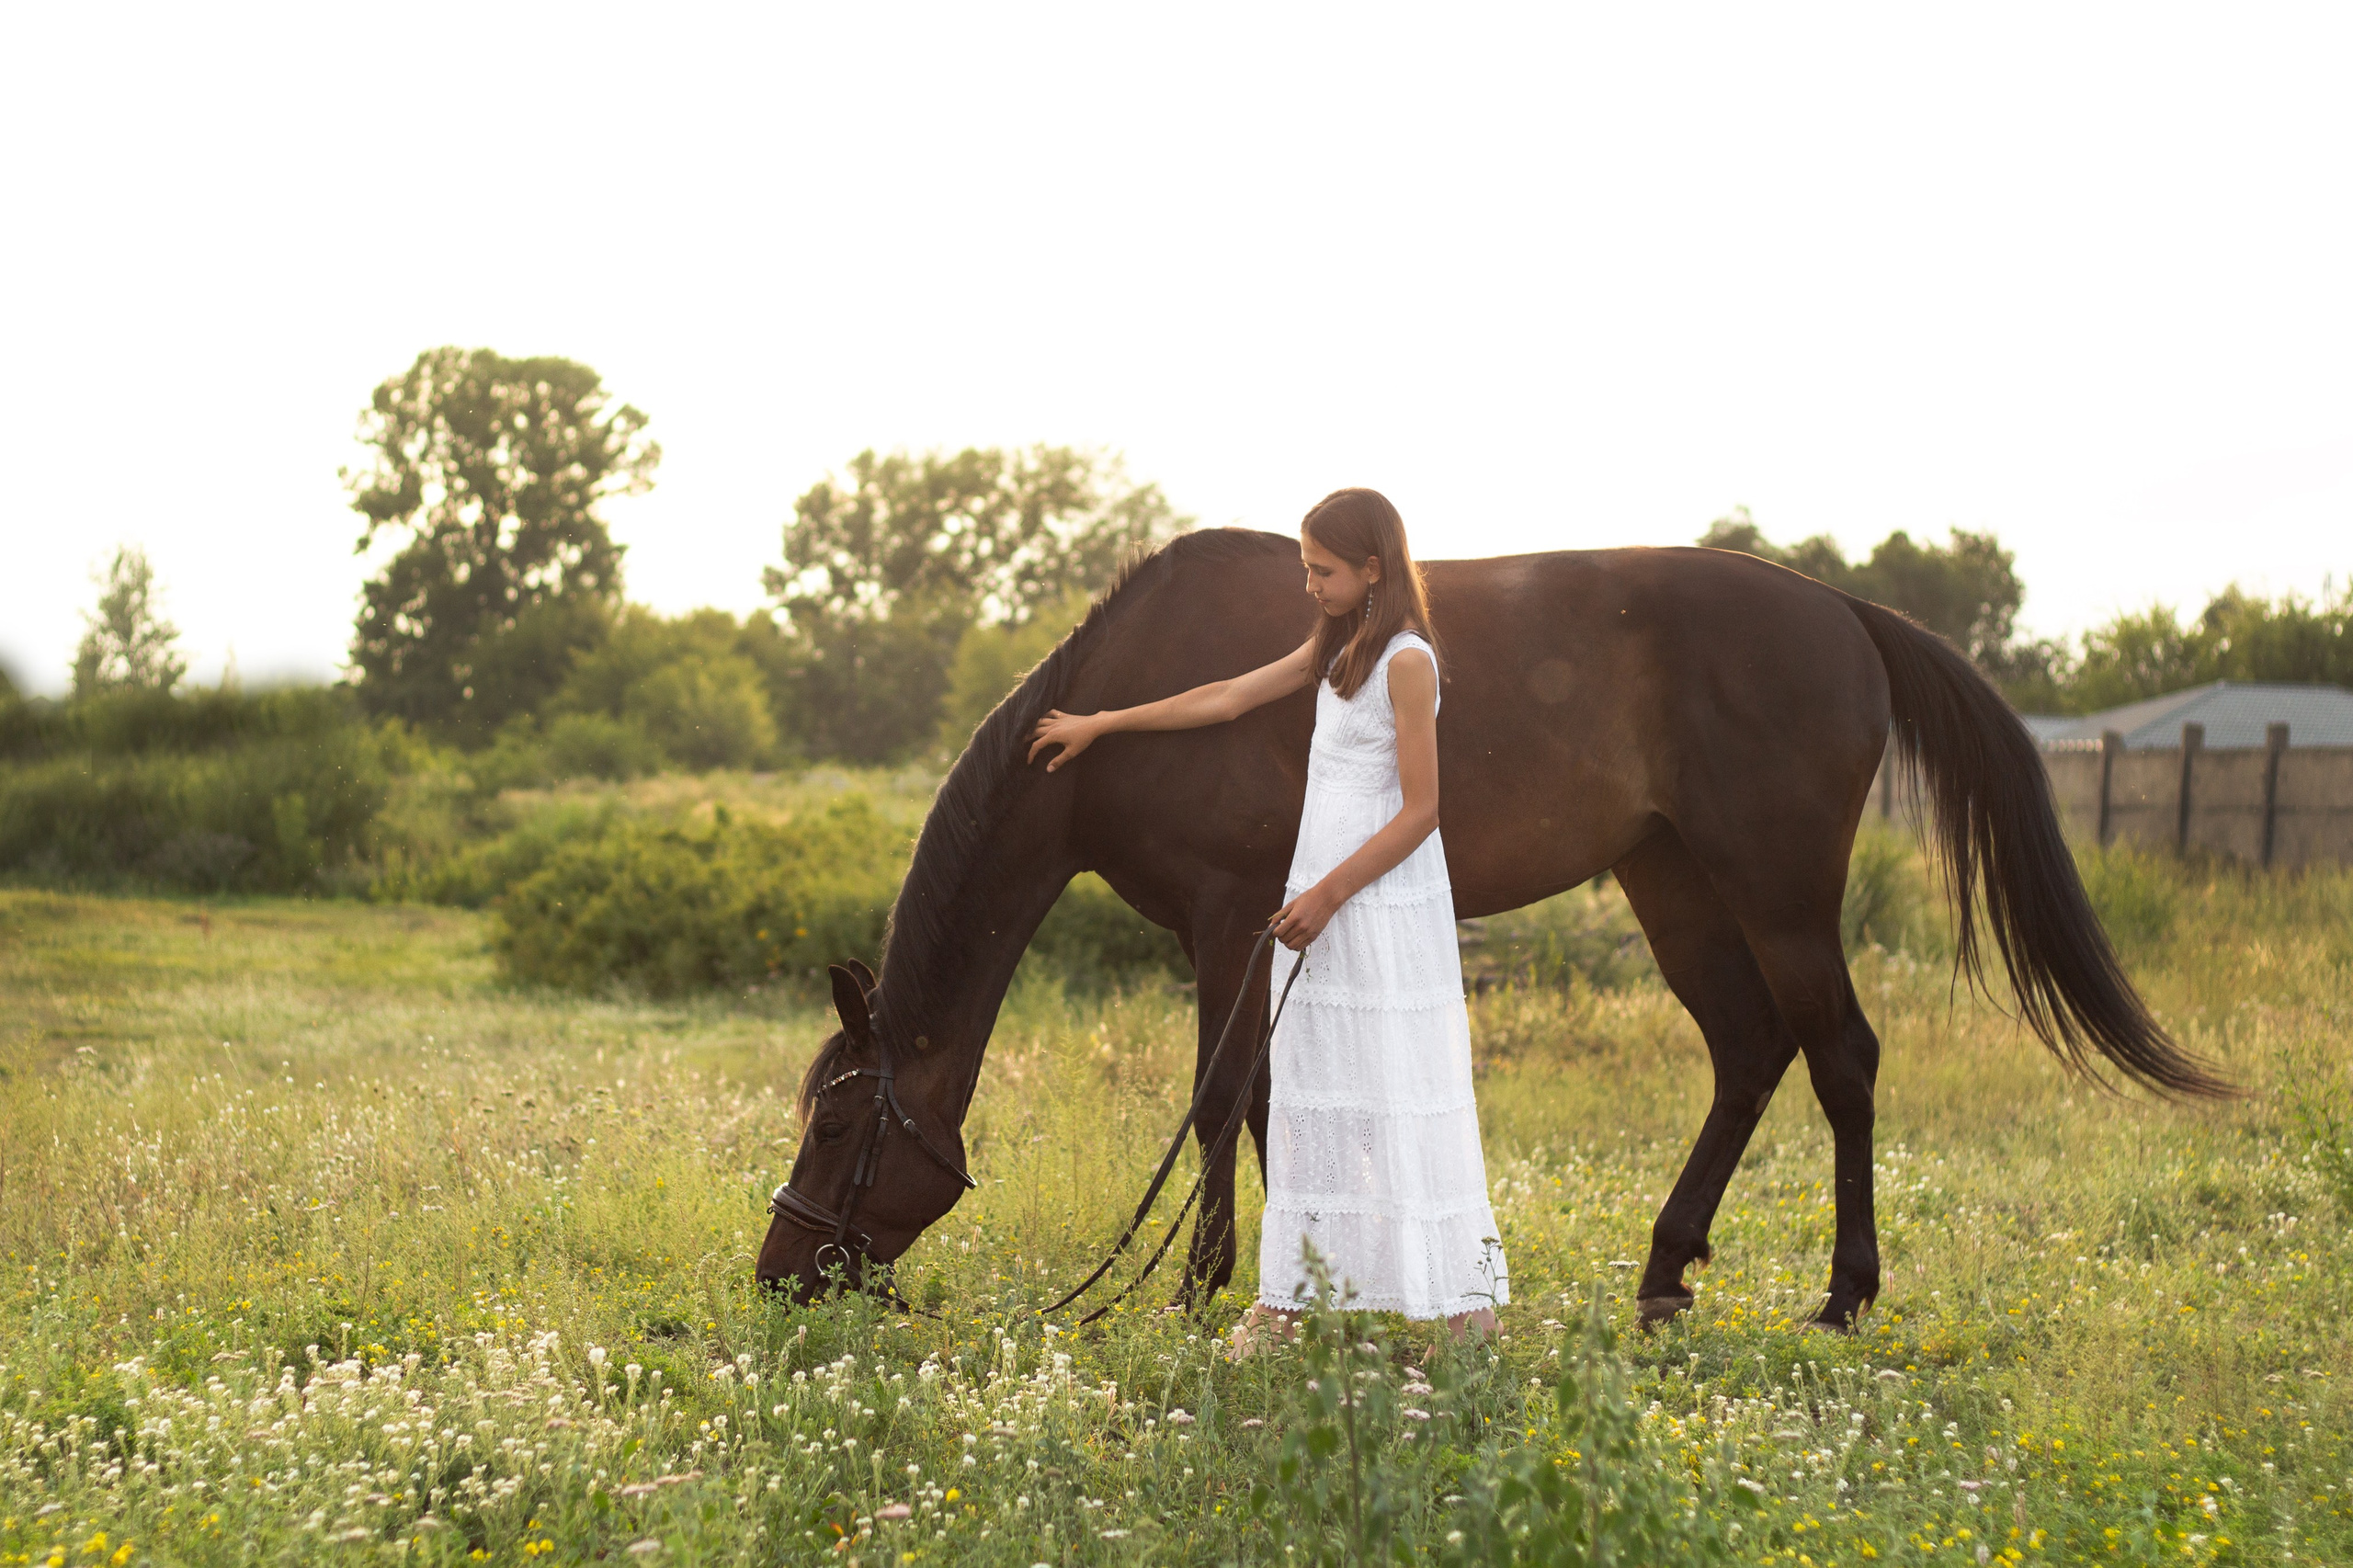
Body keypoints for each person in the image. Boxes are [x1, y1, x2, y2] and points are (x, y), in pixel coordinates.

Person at [1027, 487, 1507, 1350]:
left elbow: (1423, 811)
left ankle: (1460, 1309)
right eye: (1303, 567)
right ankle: (1294, 1295)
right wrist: (1106, 722)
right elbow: (1227, 696)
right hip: (1317, 892)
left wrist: (1328, 895)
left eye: (1321, 570)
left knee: (1394, 1090)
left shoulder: (1406, 661)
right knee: (1311, 1088)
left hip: (1372, 901)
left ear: (1371, 569)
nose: (1308, 585)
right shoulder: (1337, 644)